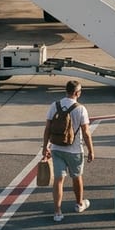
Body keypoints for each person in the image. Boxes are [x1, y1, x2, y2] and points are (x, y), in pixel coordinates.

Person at [41, 80, 95, 222]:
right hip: (75, 150)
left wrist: (45, 146)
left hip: (56, 148)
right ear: (77, 93)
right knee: (77, 177)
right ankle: (79, 204)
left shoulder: (54, 105)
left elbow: (47, 128)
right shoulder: (81, 109)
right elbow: (86, 132)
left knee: (58, 180)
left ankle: (57, 212)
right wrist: (91, 150)